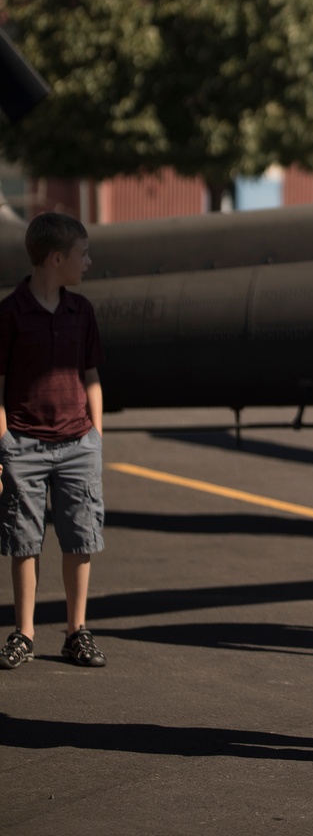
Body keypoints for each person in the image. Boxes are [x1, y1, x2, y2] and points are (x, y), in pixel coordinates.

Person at [0, 212, 106, 670]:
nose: (89, 261)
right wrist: (2, 443)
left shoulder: (81, 312)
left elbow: (92, 376)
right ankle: (24, 633)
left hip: (78, 445)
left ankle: (75, 631)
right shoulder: (9, 314)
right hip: (22, 446)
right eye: (83, 253)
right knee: (24, 542)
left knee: (80, 538)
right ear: (56, 258)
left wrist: (96, 436)